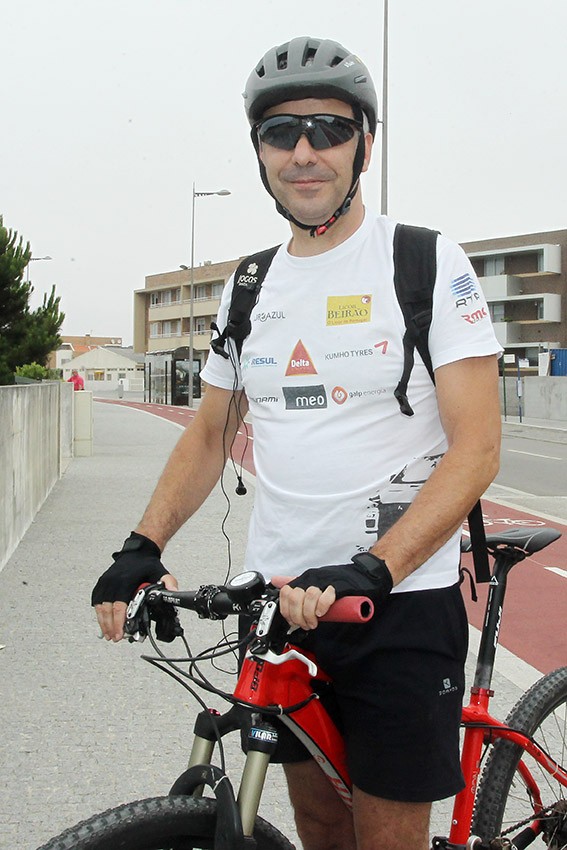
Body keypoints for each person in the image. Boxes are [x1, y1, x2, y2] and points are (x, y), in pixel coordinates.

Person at [92, 37, 502, 850]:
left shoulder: (422, 260)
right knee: (318, 824)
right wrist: (143, 543)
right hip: (283, 604)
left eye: (328, 129)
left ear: (364, 144)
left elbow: (477, 449)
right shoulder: (250, 285)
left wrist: (375, 566)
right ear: (259, 153)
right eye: (281, 134)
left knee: (385, 836)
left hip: (396, 602)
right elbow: (210, 432)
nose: (304, 152)